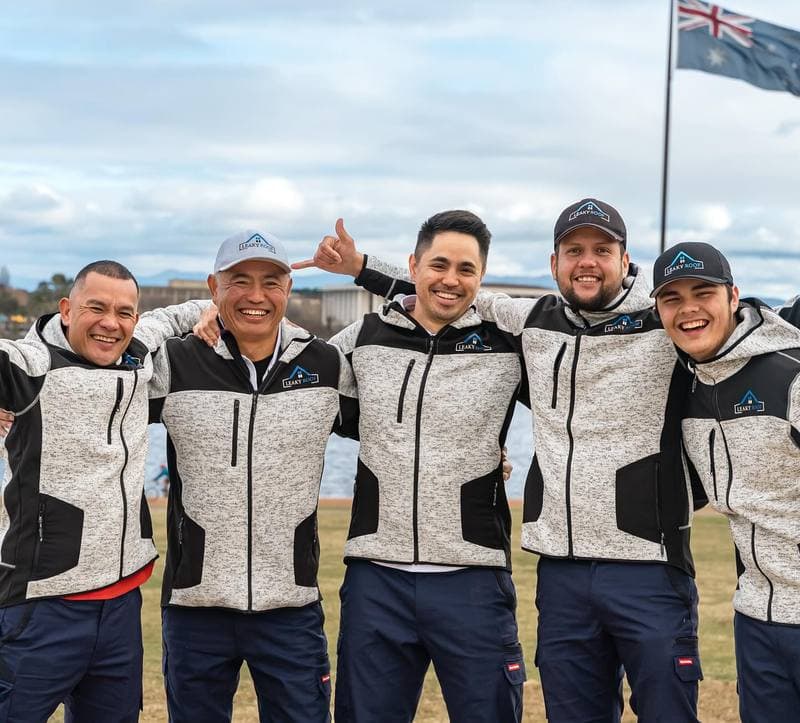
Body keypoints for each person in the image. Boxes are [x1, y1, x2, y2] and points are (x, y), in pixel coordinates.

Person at [298, 200, 705, 722]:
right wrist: (360, 268)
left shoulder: (655, 322)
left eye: (602, 250)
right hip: (504, 573)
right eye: (574, 250)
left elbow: (720, 327)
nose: (587, 262)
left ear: (626, 261)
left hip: (615, 568)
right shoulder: (521, 323)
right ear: (554, 262)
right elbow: (440, 294)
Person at [291, 210, 527, 722]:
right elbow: (284, 377)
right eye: (438, 264)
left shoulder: (507, 343)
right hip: (377, 579)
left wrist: (363, 268)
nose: (451, 279)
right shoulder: (364, 337)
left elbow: (574, 352)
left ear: (482, 278)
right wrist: (213, 318)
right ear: (413, 265)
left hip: (474, 578)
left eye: (466, 269)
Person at [149, 230, 358, 722]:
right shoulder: (176, 361)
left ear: (289, 289)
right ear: (214, 287)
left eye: (271, 282)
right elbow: (98, 387)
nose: (256, 296)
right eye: (239, 281)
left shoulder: (326, 365)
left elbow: (401, 431)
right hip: (195, 607)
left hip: (291, 607)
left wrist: (483, 450)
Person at [0, 261, 205, 722]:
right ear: (67, 309)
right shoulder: (30, 366)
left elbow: (173, 316)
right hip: (41, 605)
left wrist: (210, 311)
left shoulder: (137, 351)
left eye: (124, 312)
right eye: (96, 308)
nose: (111, 323)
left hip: (121, 606)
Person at [652, 241, 800, 723]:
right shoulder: (689, 386)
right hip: (756, 620)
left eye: (703, 293)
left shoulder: (791, 374)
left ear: (734, 296)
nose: (688, 309)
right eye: (672, 298)